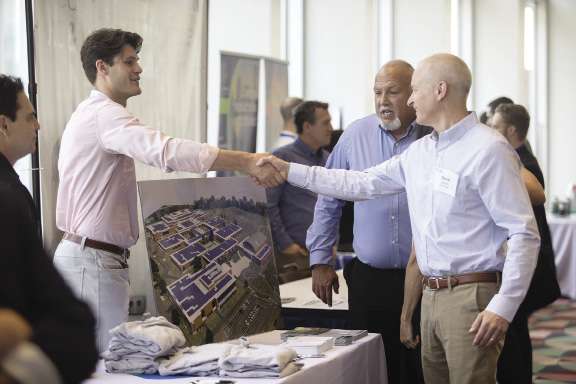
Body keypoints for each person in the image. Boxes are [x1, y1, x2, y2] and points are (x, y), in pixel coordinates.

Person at [259, 53, 540, 384]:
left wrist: (503, 306)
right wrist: (288, 170)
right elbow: (358, 182)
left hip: (471, 295)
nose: (408, 99)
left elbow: (523, 233)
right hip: (430, 294)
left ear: (439, 90)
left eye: (414, 90)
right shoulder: (423, 152)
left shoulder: (488, 148)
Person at [53, 28, 284, 352]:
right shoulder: (105, 116)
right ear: (102, 67)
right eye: (129, 61)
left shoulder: (96, 114)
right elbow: (166, 151)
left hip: (96, 260)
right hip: (92, 262)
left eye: (138, 60)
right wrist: (245, 160)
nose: (139, 69)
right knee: (104, 367)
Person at [306, 60, 429, 383]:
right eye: (377, 92)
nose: (383, 101)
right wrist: (320, 259)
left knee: (420, 369)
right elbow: (328, 198)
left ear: (414, 94)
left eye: (393, 92)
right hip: (371, 282)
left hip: (425, 282)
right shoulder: (354, 136)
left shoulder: (433, 136)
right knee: (372, 369)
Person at [0, 74, 97, 384]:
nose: (38, 126)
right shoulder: (7, 201)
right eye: (30, 118)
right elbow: (73, 330)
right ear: (3, 125)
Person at [491, 103, 561, 383]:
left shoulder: (523, 164)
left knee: (513, 330)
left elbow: (536, 197)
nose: (490, 132)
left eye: (495, 127)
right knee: (514, 330)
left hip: (529, 261)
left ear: (509, 130)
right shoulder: (520, 158)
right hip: (528, 260)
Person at [266, 101, 332, 283]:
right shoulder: (282, 158)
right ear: (307, 127)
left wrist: (332, 241)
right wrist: (286, 244)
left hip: (324, 256)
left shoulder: (329, 160)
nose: (331, 128)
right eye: (325, 123)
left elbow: (334, 205)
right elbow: (269, 205)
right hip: (295, 256)